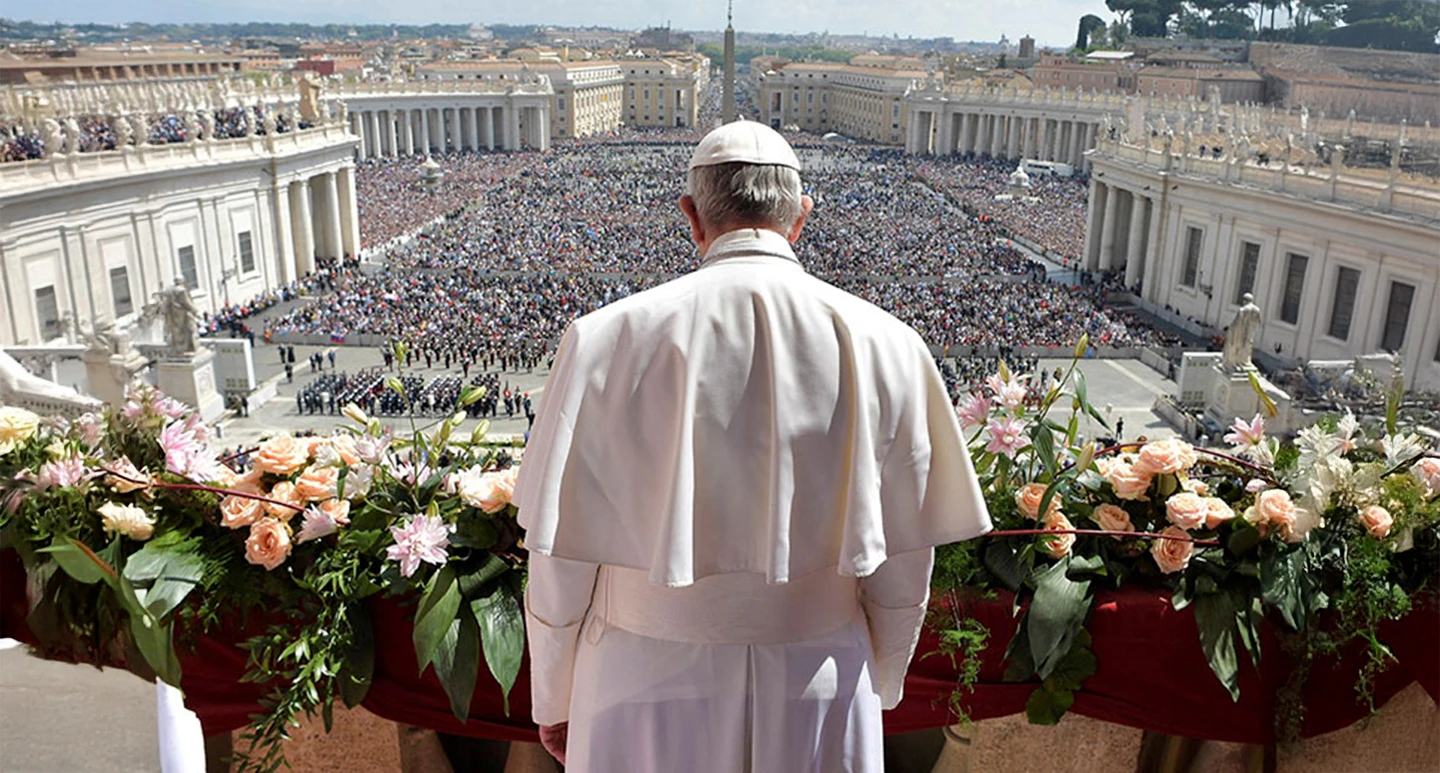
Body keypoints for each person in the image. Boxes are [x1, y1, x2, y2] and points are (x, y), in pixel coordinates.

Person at [515, 122, 992, 773]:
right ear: (802, 215)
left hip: (640, 676)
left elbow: (559, 558)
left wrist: (554, 693)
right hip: (818, 673)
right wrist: (880, 677)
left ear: (690, 215)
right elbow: (903, 564)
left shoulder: (603, 337)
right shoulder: (892, 343)